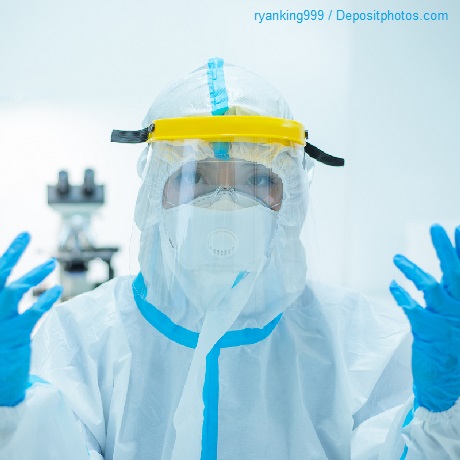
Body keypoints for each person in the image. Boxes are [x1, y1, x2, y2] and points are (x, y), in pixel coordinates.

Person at [1, 58, 459, 460]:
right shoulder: (83, 338)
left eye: (256, 179)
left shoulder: (359, 342)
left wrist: (442, 413)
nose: (224, 203)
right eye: (195, 177)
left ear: (292, 197)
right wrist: (14, 416)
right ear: (153, 194)